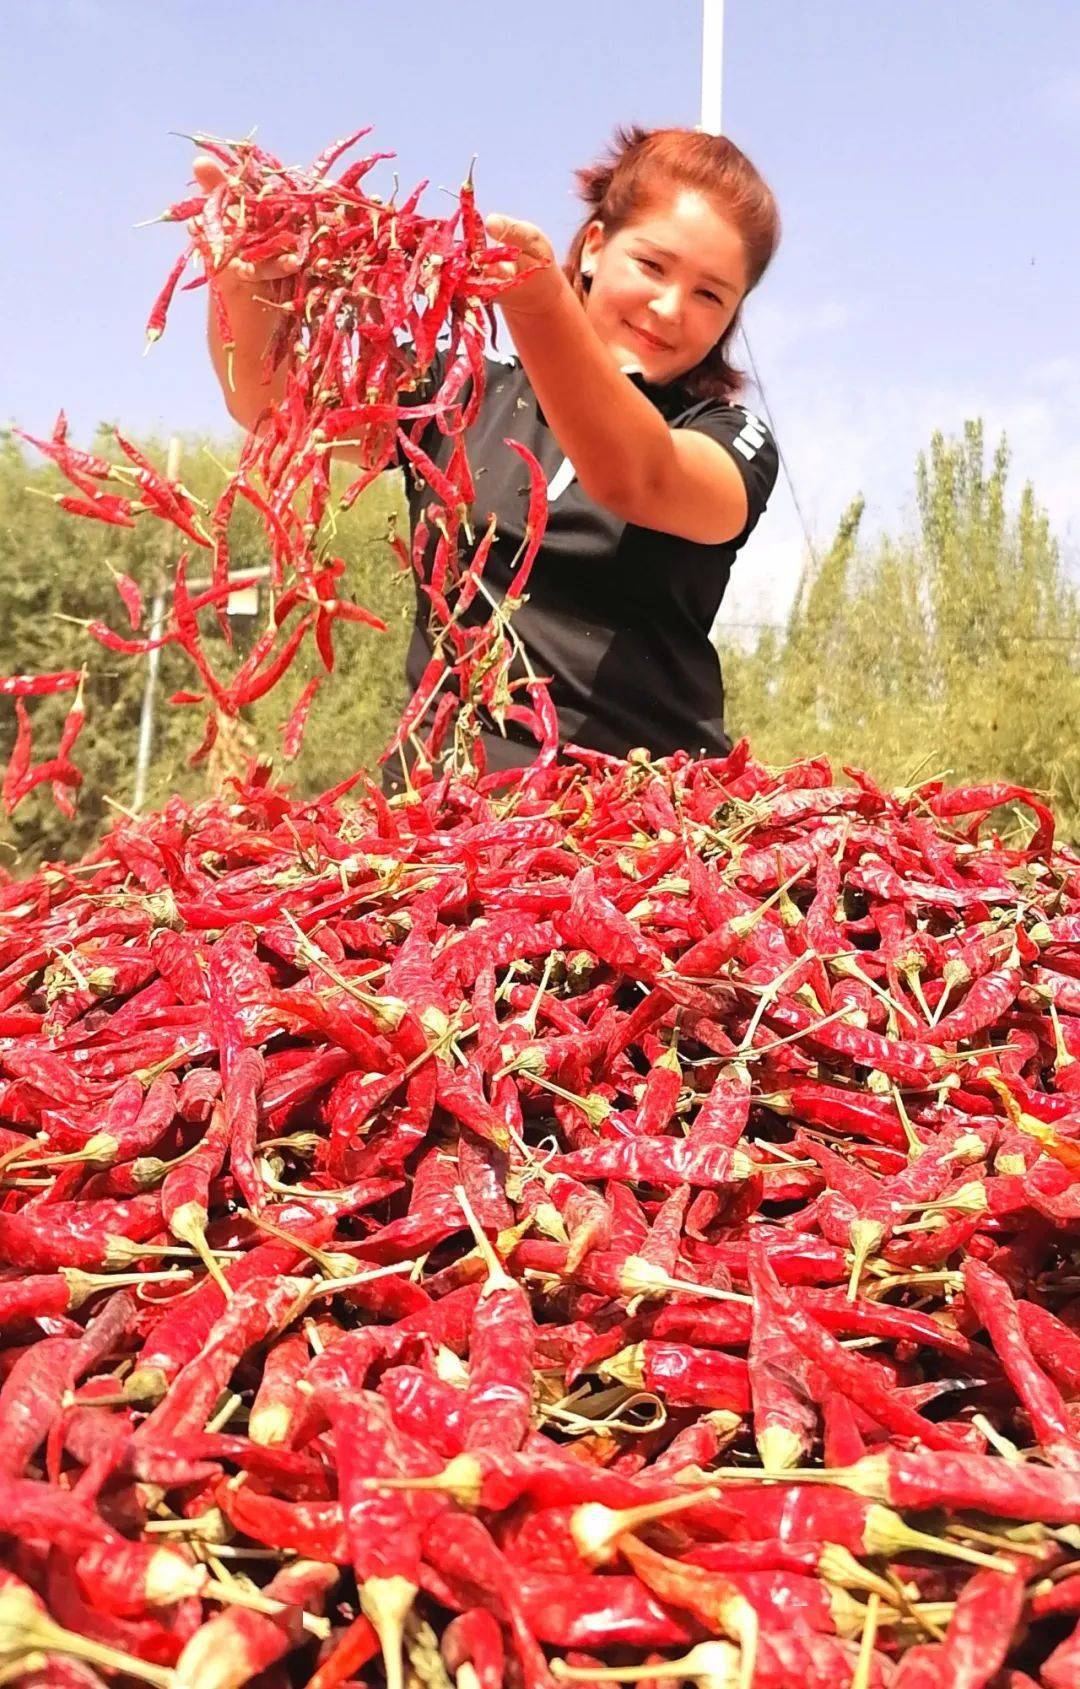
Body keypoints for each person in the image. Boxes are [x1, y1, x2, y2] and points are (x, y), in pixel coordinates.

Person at [195, 123, 781, 776]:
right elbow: (278, 406)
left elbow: (637, 478)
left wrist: (539, 306)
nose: (670, 307)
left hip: (644, 831)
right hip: (445, 829)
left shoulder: (727, 437)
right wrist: (243, 275)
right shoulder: (463, 392)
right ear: (593, 247)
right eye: (652, 265)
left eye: (710, 295)